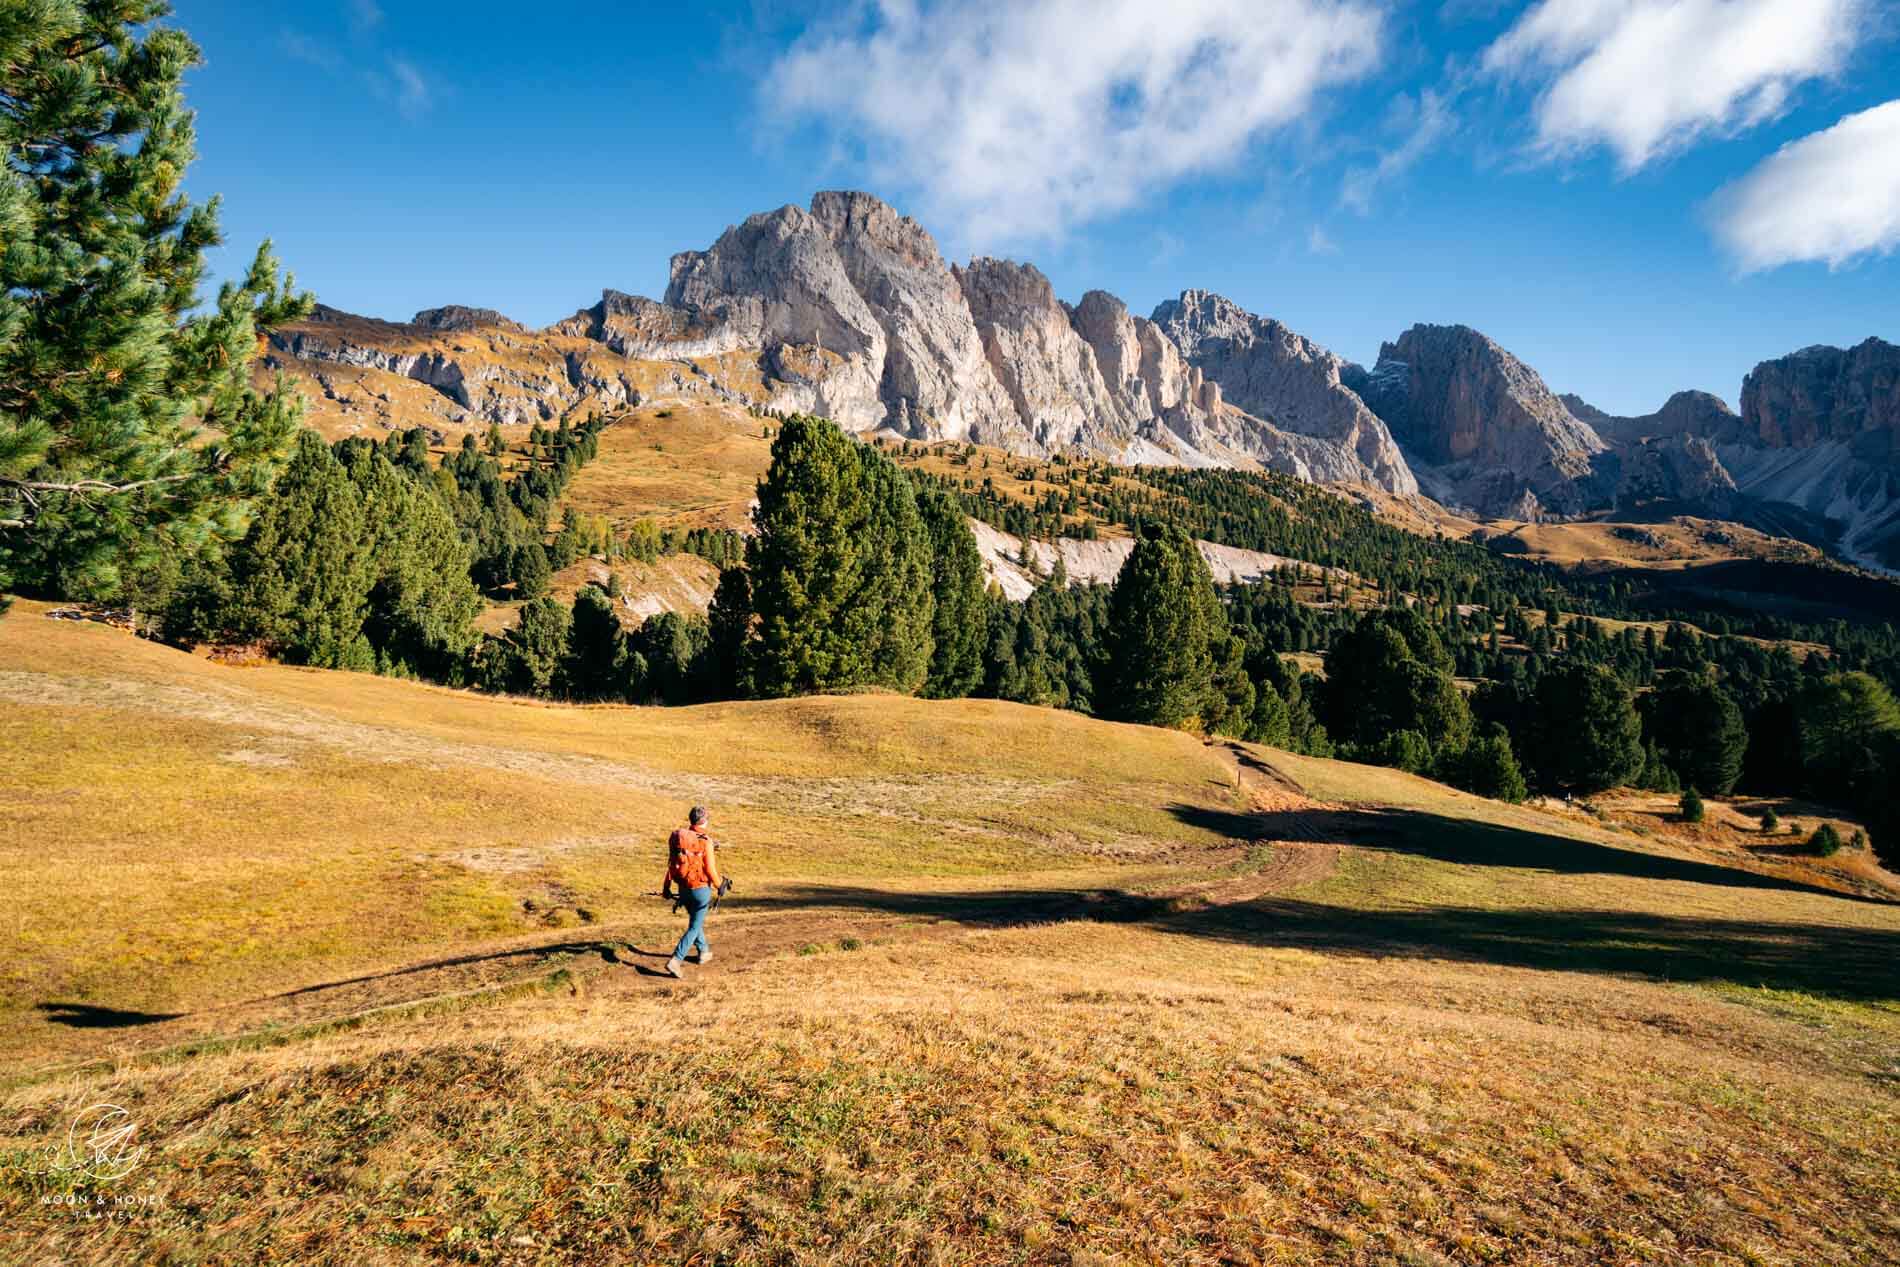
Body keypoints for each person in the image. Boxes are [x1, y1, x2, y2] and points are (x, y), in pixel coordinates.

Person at [661, 805, 723, 977]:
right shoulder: (705, 841)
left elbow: (671, 865)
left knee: (696, 922)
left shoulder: (680, 840)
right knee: (695, 926)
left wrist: (666, 887)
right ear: (705, 821)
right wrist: (719, 886)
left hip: (683, 888)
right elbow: (710, 869)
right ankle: (676, 960)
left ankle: (704, 952)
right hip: (701, 890)